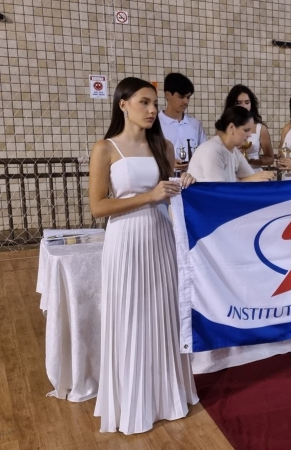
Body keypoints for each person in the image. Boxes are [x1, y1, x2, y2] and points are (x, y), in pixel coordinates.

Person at [88, 77, 198, 434]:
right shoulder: (105, 149)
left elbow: (168, 192)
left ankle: (167, 396)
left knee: (162, 314)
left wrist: (184, 183)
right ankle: (133, 401)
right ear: (123, 104)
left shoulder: (163, 146)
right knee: (130, 316)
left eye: (153, 103)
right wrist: (149, 196)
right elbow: (98, 207)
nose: (152, 110)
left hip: (160, 237)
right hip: (125, 241)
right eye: (144, 103)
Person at [187, 106, 275, 182]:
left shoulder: (234, 151)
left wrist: (257, 178)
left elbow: (251, 177)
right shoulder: (212, 151)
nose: (250, 135)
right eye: (246, 130)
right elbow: (218, 190)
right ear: (232, 127)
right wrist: (250, 179)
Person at [158, 73, 207, 171]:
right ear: (167, 95)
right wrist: (168, 163)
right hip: (166, 177)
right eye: (181, 97)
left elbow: (205, 153)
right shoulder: (156, 124)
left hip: (192, 178)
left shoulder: (195, 124)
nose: (186, 101)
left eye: (188, 97)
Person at [224, 84, 274, 171]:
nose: (244, 106)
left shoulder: (260, 129)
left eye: (247, 102)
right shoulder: (225, 127)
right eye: (239, 103)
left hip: (254, 172)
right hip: (232, 172)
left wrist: (256, 162)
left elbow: (270, 158)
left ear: (251, 105)